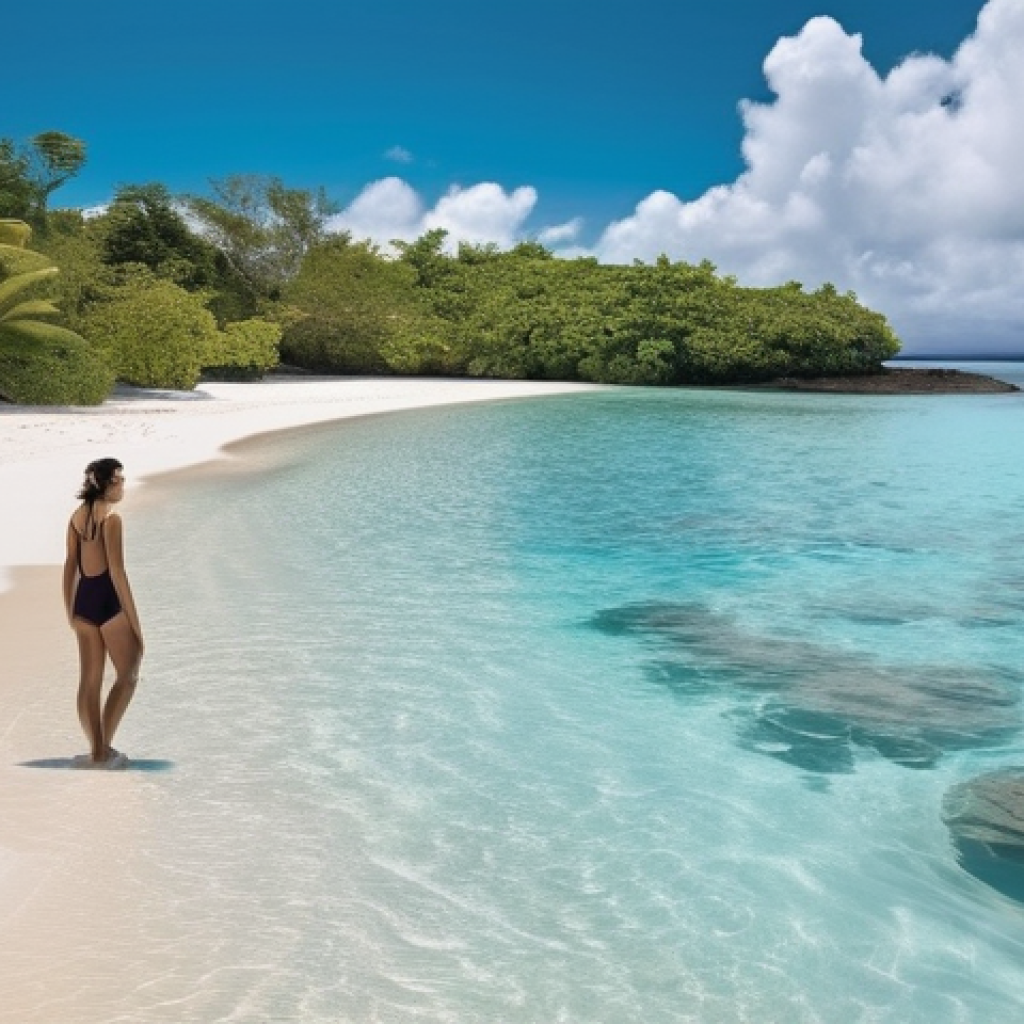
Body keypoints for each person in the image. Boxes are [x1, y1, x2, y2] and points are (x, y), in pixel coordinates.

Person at [62, 458, 144, 769]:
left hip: (83, 603)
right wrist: (136, 624)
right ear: (107, 484)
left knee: (89, 680)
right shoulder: (112, 519)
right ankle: (104, 746)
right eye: (120, 480)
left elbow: (70, 565)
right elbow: (118, 573)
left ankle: (95, 751)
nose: (123, 485)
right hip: (109, 603)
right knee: (129, 673)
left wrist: (69, 609)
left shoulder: (76, 517)